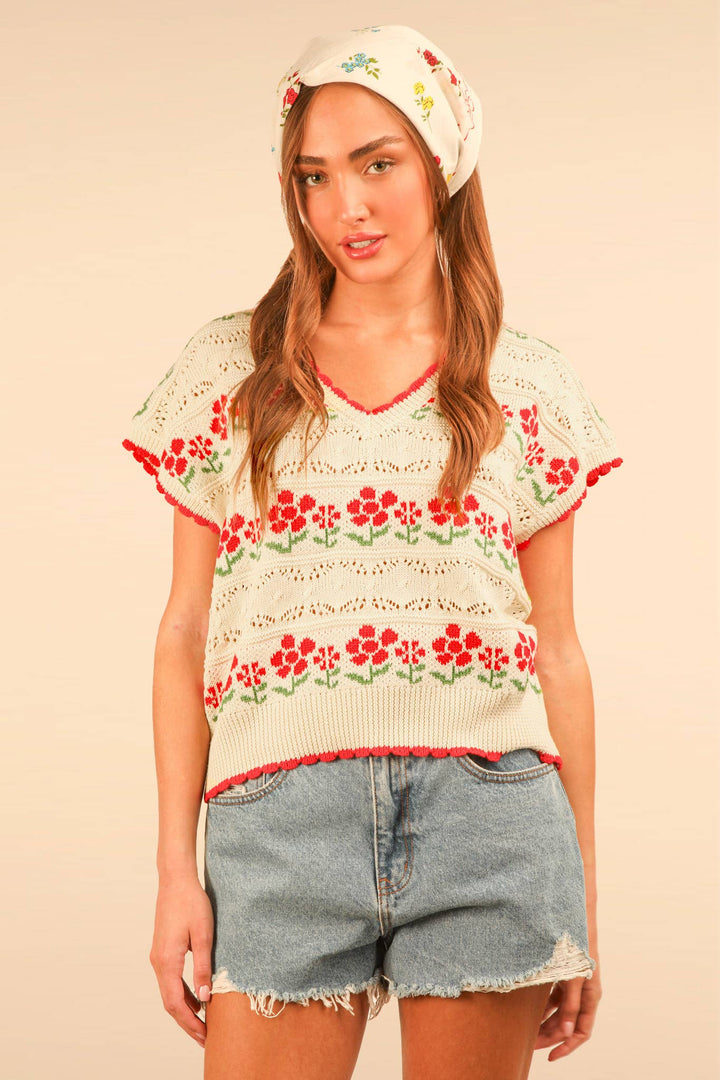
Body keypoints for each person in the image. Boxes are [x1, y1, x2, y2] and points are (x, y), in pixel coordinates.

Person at [122, 23, 623, 1079]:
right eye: (315, 176)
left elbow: (559, 650)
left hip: (491, 821)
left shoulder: (528, 385)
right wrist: (175, 872)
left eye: (377, 164)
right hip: (277, 824)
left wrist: (579, 893)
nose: (345, 205)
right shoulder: (232, 373)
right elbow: (184, 631)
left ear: (443, 164)